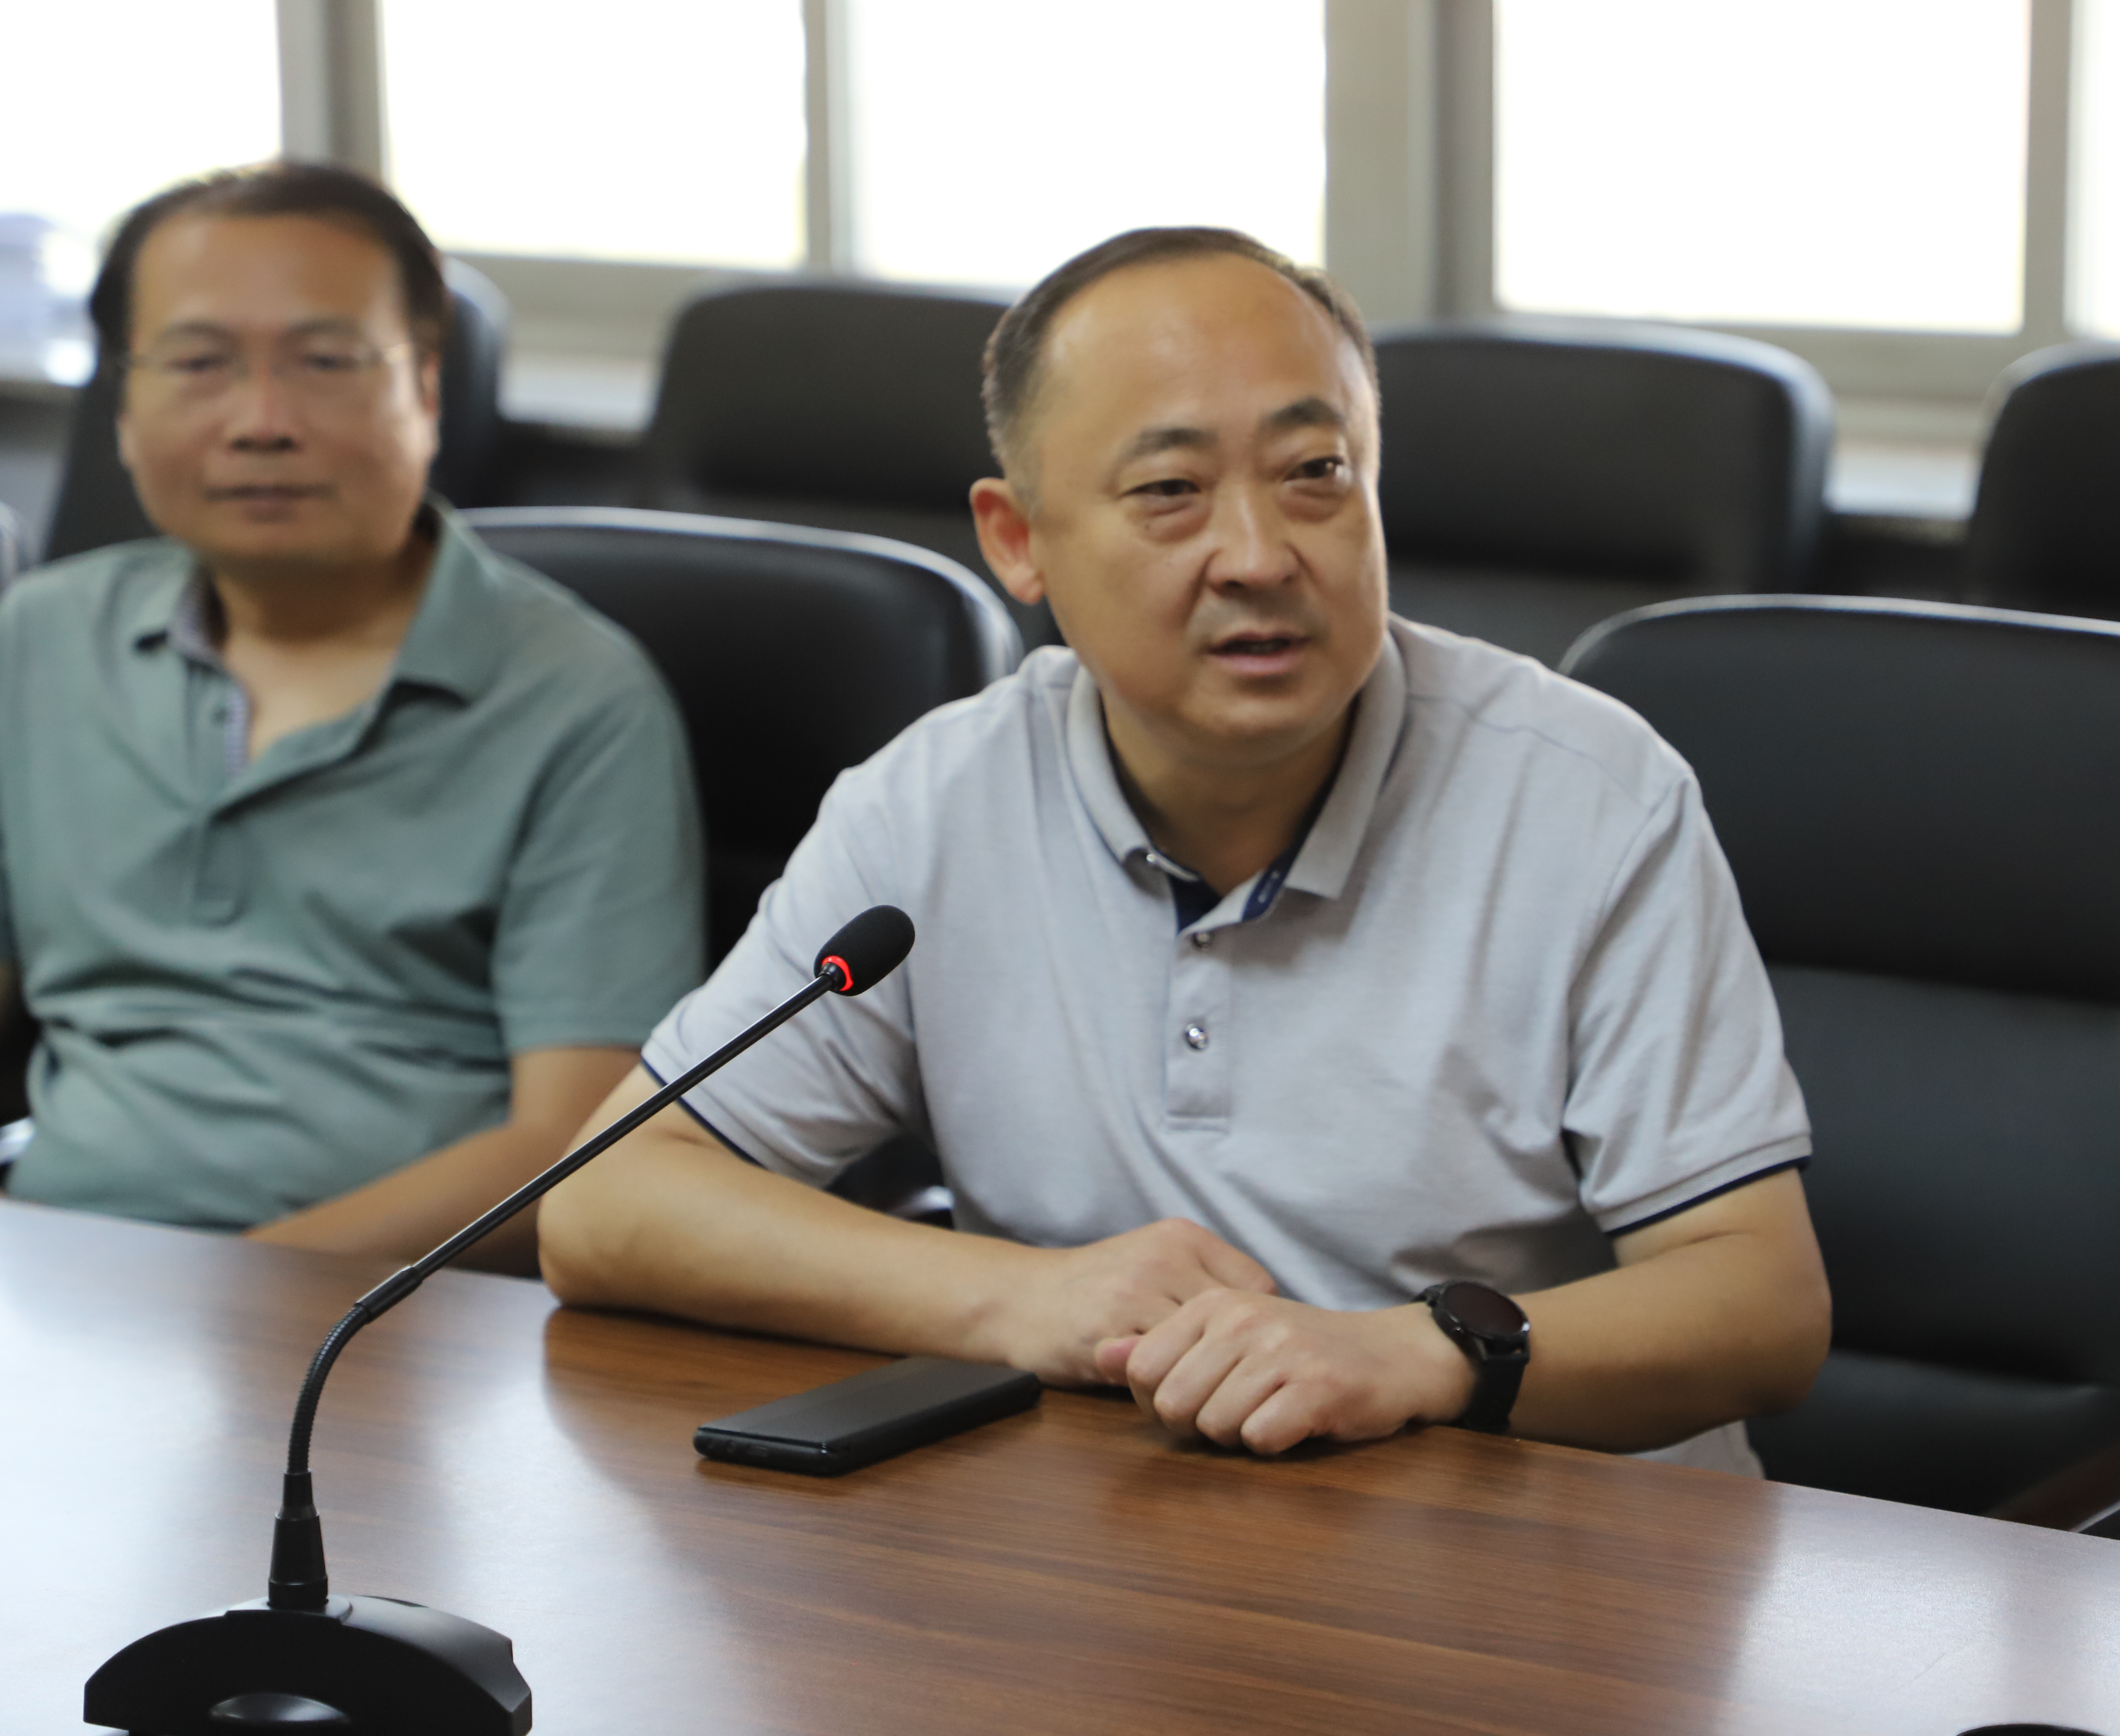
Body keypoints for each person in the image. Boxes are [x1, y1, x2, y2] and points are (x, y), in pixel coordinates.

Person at [541, 227, 1828, 1467]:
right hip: (1136, 1539)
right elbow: (608, 1206)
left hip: (1549, 1554)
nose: (1260, 557)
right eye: (1170, 491)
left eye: (1316, 473)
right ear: (1019, 539)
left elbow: (1761, 1305)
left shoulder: (1588, 796)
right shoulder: (934, 803)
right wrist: (1024, 1298)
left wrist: (1416, 1356)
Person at [0, 164, 702, 1270]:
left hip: (393, 1314)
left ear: (425, 388)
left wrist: (227, 1296)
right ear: (124, 409)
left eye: (325, 363)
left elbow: (576, 1139)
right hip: (59, 1279)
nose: (261, 423)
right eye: (198, 363)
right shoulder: (41, 637)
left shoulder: (576, 695)